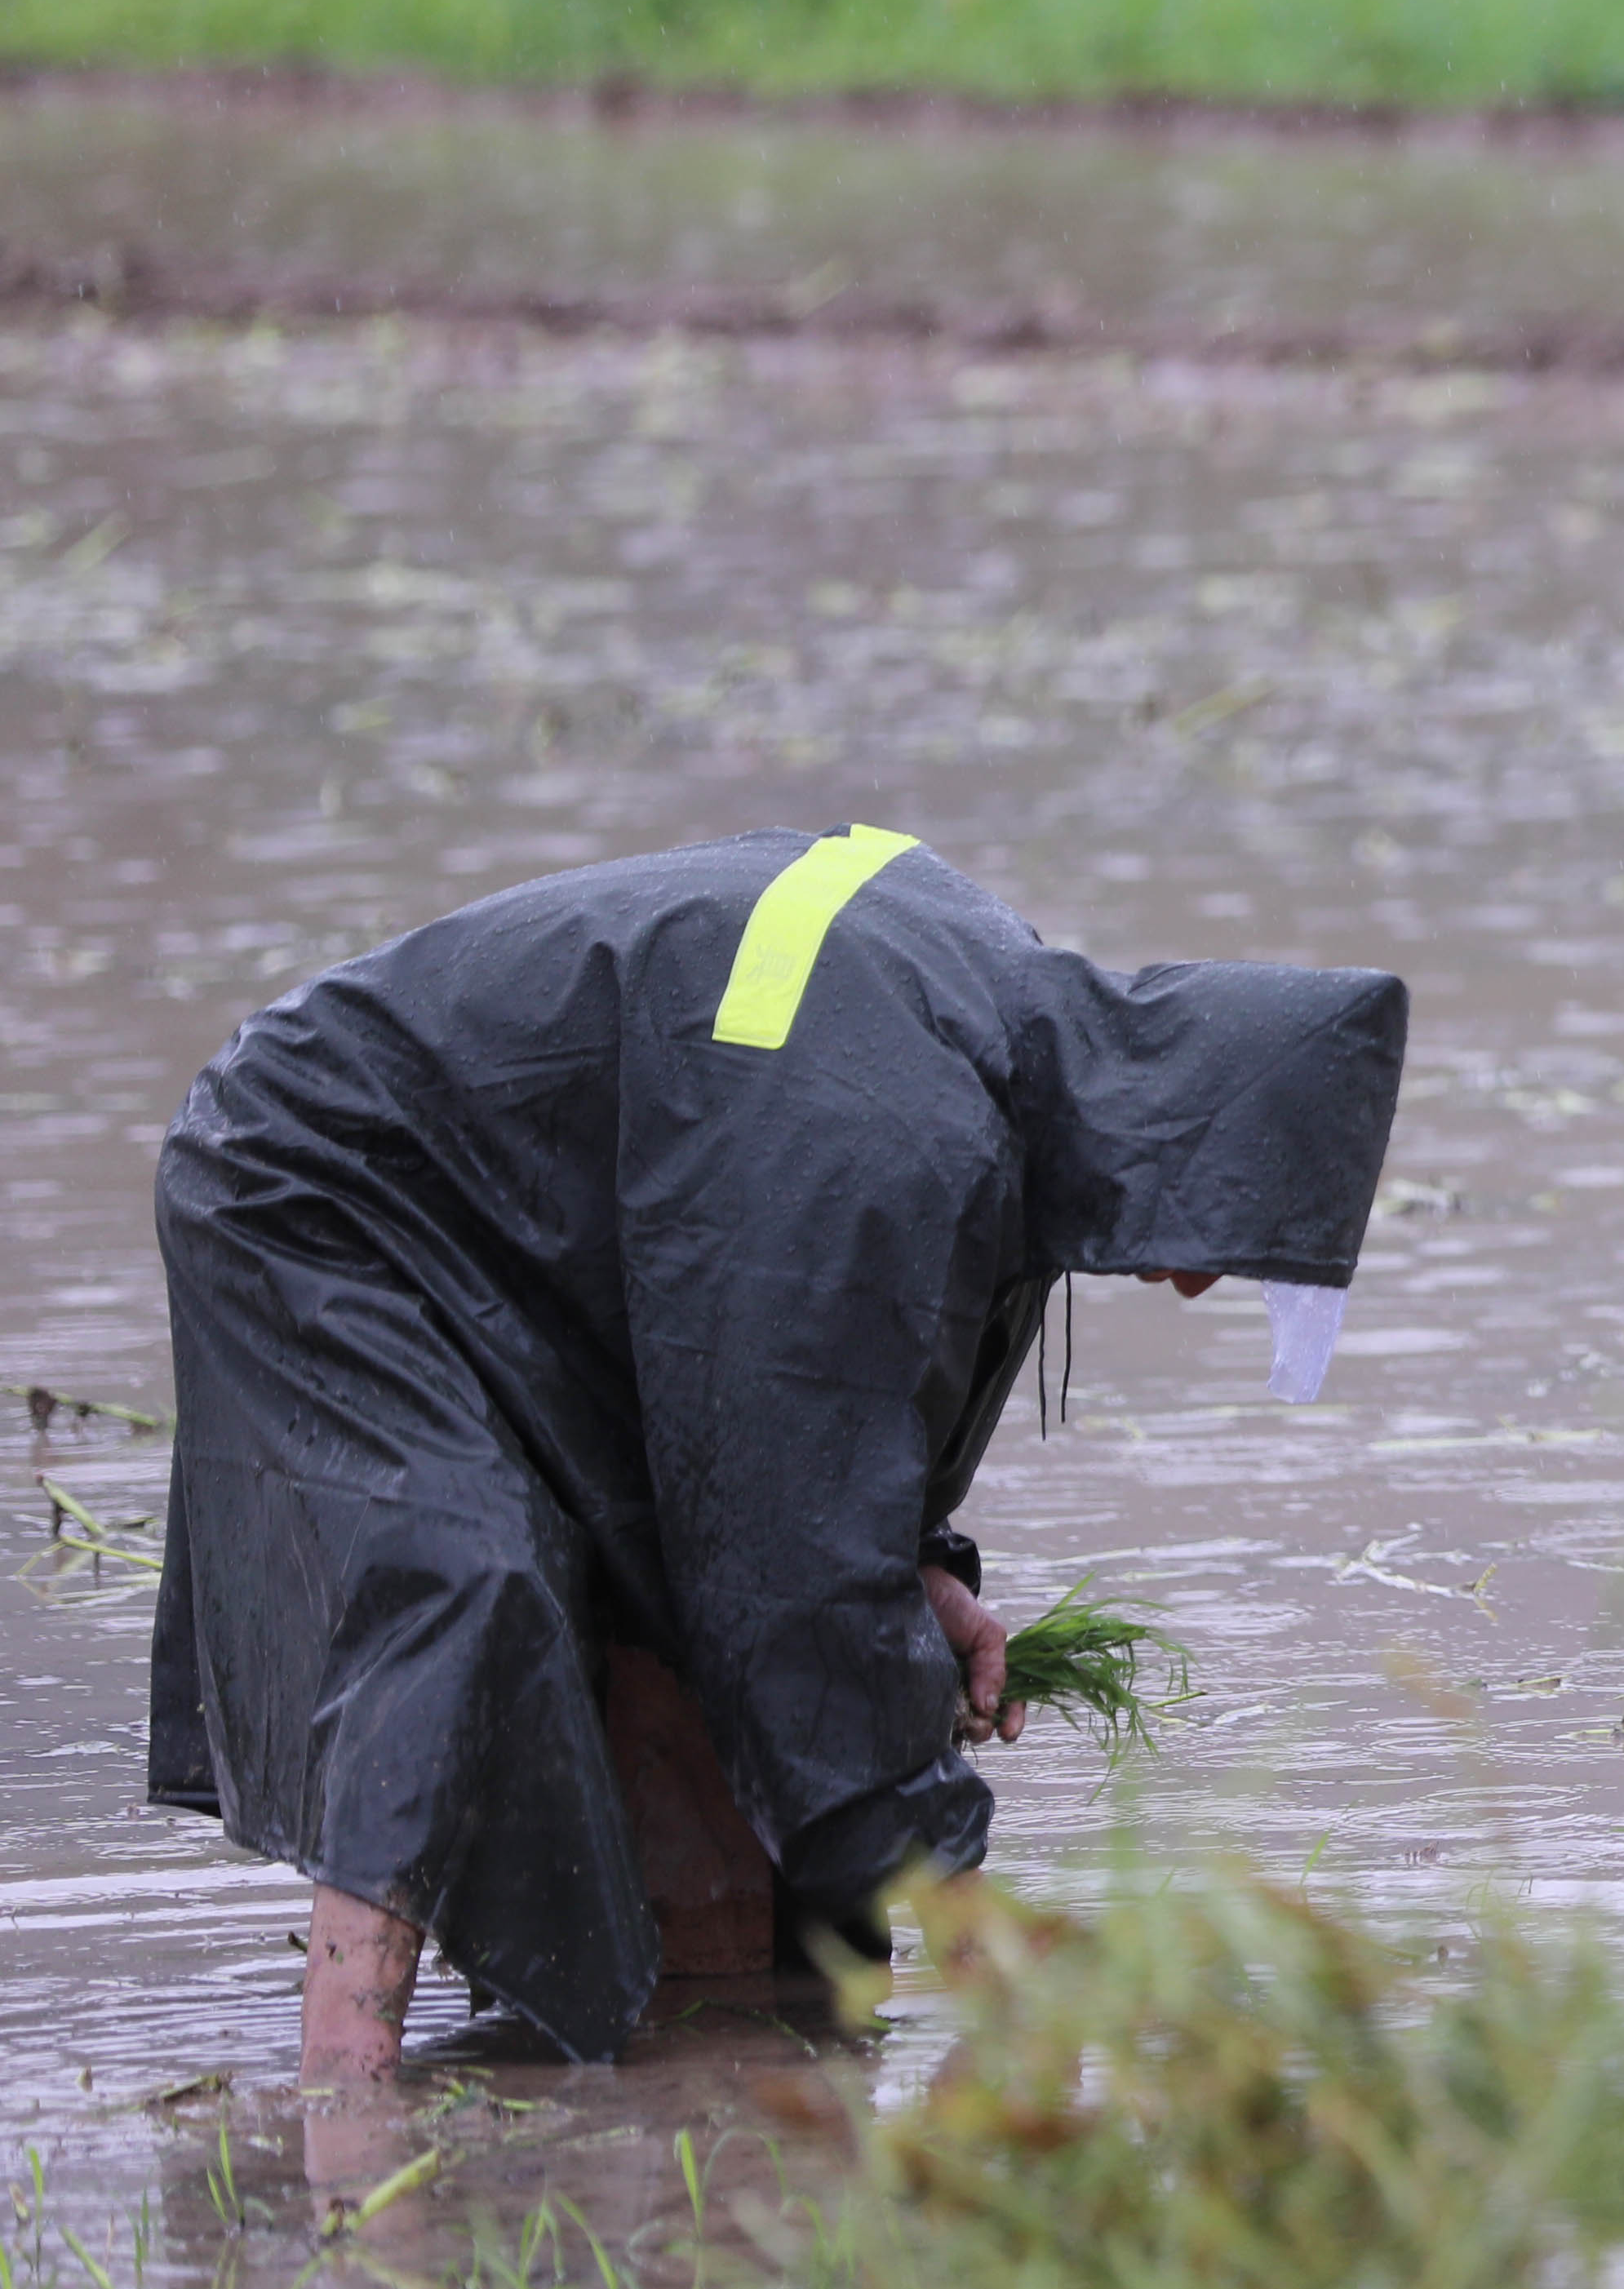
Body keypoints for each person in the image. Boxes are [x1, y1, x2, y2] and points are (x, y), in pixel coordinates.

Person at [147, 826, 1406, 2087]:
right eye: (1220, 1236)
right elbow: (787, 1553)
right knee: (471, 1590)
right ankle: (345, 2128)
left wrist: (920, 1571)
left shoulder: (1006, 1059)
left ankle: (696, 2096)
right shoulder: (892, 1124)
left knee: (709, 1678)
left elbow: (809, 1414)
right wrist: (970, 1928)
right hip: (327, 1186)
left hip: (562, 1249)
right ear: (1180, 1131)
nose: (1193, 1283)